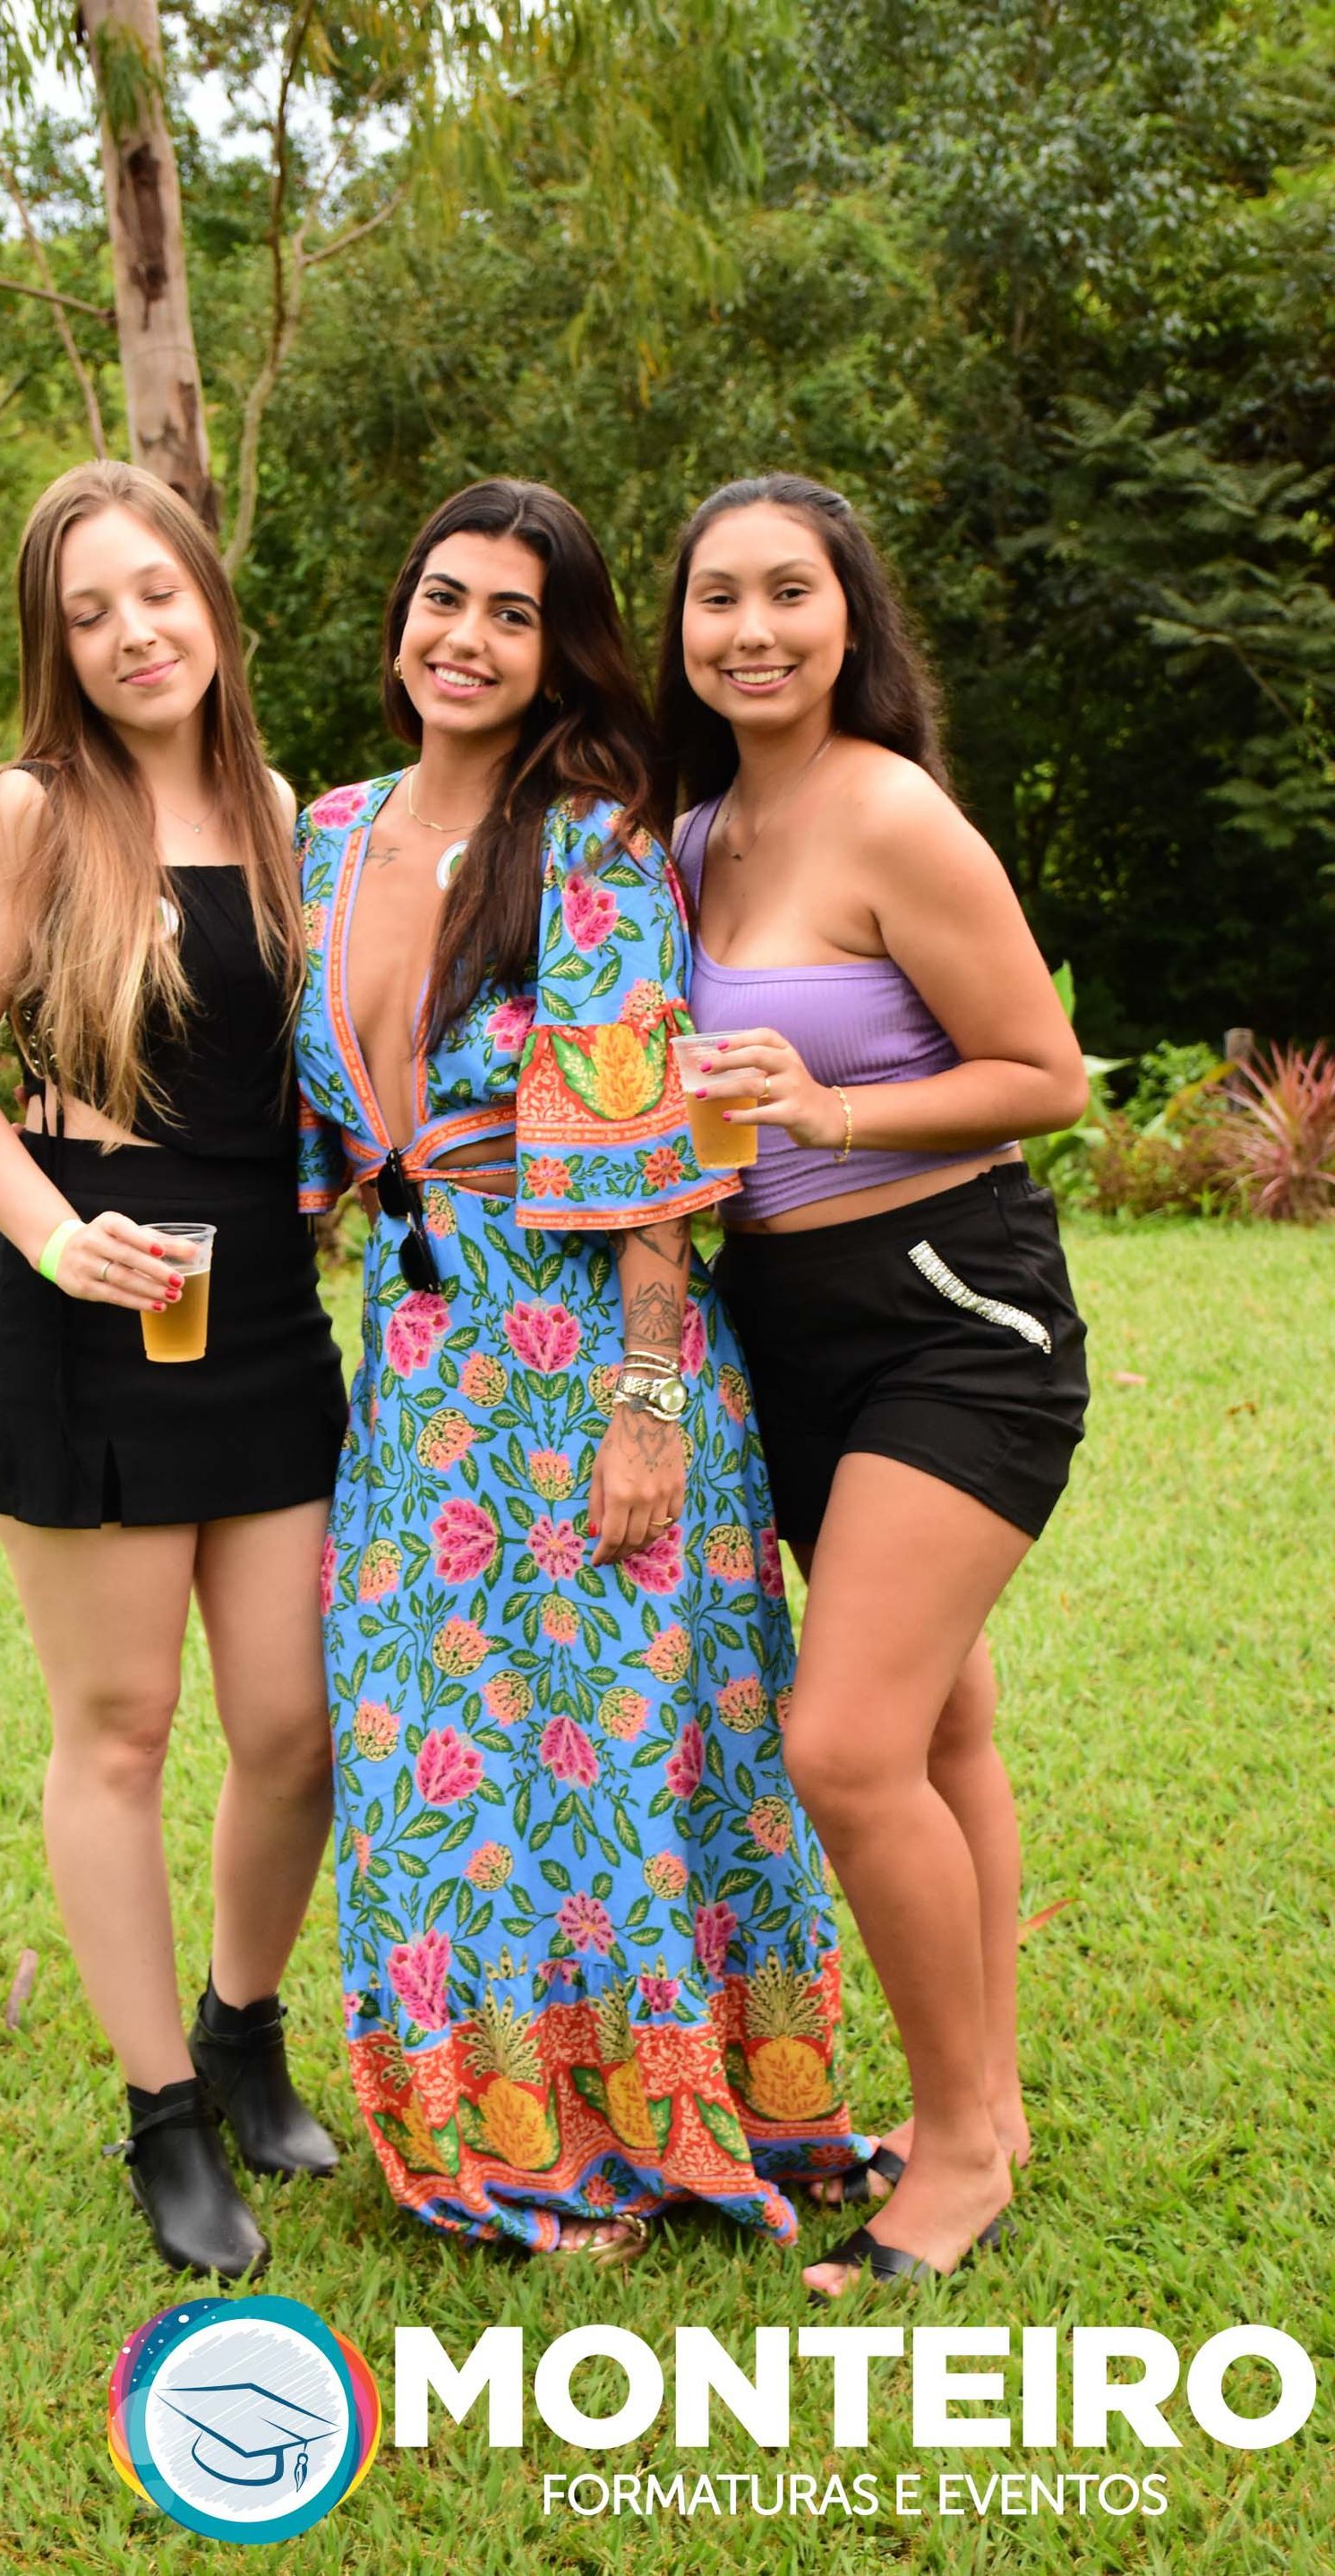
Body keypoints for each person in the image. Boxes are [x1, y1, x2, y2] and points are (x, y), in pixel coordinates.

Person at [295, 477, 869, 2260]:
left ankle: (666, 2118)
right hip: (415, 1368)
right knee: (430, 1759)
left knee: (623, 1753)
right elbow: (293, 1125)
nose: (464, 638)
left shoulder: (597, 840)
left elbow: (655, 1164)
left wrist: (646, 1409)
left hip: (584, 1364)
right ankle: (490, 2128)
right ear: (401, 616)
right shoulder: (328, 833)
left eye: (512, 614)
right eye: (442, 597)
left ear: (560, 657)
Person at [0, 460, 348, 2281]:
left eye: (155, 591)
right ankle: (164, 2112)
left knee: (296, 1728)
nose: (133, 632)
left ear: (210, 599)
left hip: (265, 1312)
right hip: (89, 1310)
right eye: (88, 613)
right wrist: (50, 1230)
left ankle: (243, 2027)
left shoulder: (282, 808)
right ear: (57, 647)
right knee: (121, 1726)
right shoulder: (33, 810)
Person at [653, 472, 1091, 2296]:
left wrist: (831, 1108)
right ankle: (983, 2099)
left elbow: (1047, 1073)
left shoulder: (893, 811)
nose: (752, 629)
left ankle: (963, 2146)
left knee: (843, 1746)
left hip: (946, 1313)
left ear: (851, 620)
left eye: (790, 593)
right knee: (939, 1728)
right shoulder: (695, 835)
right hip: (784, 1327)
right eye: (718, 598)